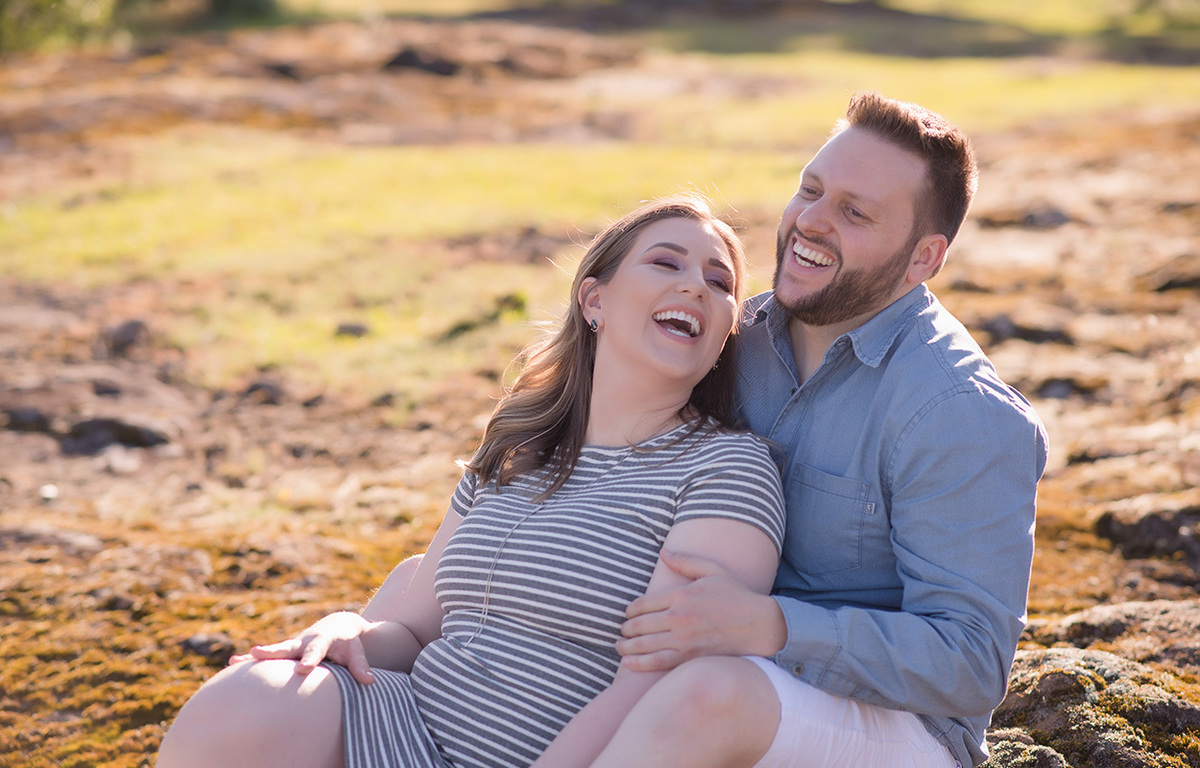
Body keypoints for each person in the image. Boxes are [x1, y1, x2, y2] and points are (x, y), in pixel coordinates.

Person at [155, 196, 788, 768]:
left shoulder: (726, 468)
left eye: (720, 282)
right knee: (244, 704)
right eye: (667, 263)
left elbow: (653, 687)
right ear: (595, 300)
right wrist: (353, 628)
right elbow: (415, 630)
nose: (697, 287)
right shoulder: (519, 446)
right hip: (402, 727)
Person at [536, 92, 1050, 768]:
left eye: (853, 212)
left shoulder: (959, 412)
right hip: (706, 664)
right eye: (810, 190)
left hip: (898, 731)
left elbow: (971, 663)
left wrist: (771, 626)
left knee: (709, 693)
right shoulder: (732, 335)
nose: (810, 222)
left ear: (924, 258)